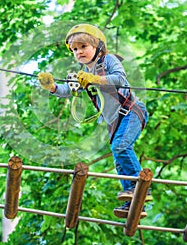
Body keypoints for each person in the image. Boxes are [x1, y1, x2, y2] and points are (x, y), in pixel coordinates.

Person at [38, 24, 151, 219]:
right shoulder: (82, 74)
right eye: (74, 49)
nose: (78, 52)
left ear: (97, 47)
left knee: (121, 147)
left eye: (83, 47)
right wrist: (53, 87)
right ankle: (133, 200)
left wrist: (95, 79)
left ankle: (140, 188)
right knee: (118, 157)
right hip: (114, 121)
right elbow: (69, 91)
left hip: (131, 112)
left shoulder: (108, 60)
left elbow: (120, 79)